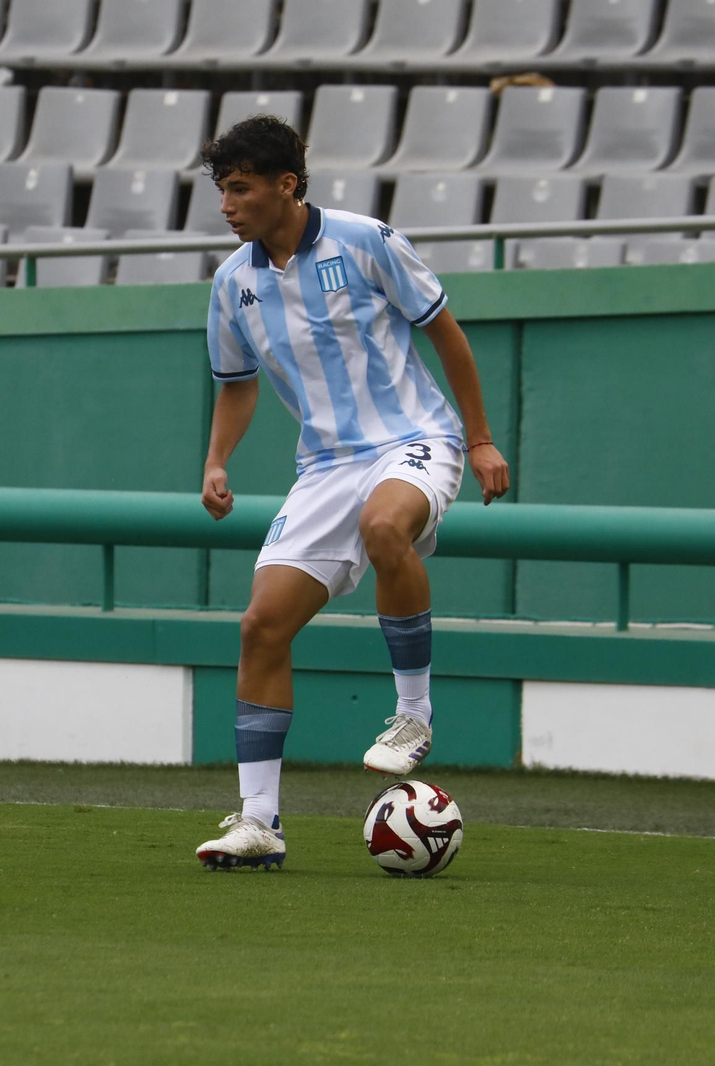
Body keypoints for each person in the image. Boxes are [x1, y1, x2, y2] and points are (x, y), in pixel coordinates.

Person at [194, 117, 511, 870]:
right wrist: (216, 461)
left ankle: (412, 717)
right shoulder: (232, 283)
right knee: (260, 626)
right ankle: (260, 824)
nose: (227, 205)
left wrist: (480, 437)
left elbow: (446, 333)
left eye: (240, 188)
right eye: (222, 190)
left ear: (287, 186)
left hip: (413, 441)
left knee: (384, 528)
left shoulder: (367, 241)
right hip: (325, 468)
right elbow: (235, 386)